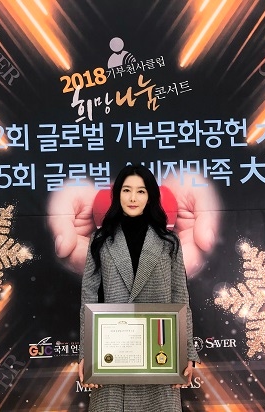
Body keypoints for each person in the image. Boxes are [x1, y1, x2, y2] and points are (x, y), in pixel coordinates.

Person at [78, 164, 200, 412]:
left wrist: (187, 351)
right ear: (117, 194)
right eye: (126, 190)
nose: (133, 198)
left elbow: (180, 297)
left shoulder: (169, 242)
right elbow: (88, 297)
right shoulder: (100, 240)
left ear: (150, 196)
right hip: (111, 354)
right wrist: (85, 353)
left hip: (160, 354)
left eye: (141, 191)